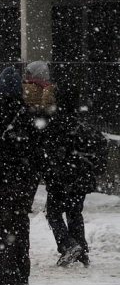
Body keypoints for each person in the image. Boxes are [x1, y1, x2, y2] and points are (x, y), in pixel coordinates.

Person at [0, 67, 40, 285]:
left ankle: (5, 278)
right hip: (21, 182)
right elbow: (36, 151)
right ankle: (22, 273)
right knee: (20, 226)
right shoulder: (27, 115)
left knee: (0, 230)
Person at [41, 89, 108, 268]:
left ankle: (69, 245)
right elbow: (100, 144)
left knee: (54, 214)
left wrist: (48, 171)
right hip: (80, 178)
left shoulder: (54, 124)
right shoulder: (82, 123)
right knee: (74, 213)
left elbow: (47, 152)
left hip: (60, 178)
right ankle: (81, 250)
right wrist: (94, 167)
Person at [22, 60, 57, 211]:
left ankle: (26, 201)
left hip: (30, 134)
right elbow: (48, 109)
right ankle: (49, 202)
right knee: (41, 171)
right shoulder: (47, 89)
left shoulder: (25, 88)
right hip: (42, 134)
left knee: (30, 172)